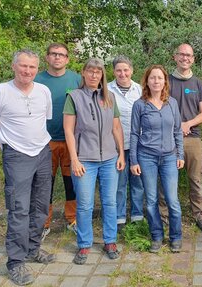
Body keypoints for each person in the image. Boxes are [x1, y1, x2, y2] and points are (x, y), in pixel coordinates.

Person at [0, 49, 55, 286]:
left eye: (32, 67)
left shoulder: (43, 91)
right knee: (19, 209)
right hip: (17, 156)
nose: (28, 71)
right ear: (14, 66)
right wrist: (8, 148)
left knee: (41, 206)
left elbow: (41, 121)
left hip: (43, 153)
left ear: (37, 69)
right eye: (23, 66)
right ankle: (15, 262)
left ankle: (33, 249)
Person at [63, 58, 125, 265]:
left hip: (109, 159)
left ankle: (110, 241)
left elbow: (116, 128)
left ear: (102, 75)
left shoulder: (109, 97)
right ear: (83, 73)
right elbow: (69, 131)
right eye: (90, 71)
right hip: (84, 161)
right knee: (85, 205)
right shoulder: (74, 97)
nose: (94, 75)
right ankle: (84, 244)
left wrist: (121, 155)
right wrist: (74, 159)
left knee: (110, 202)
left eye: (98, 72)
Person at [130, 65, 184, 253]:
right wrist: (134, 161)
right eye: (152, 78)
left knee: (172, 200)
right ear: (147, 81)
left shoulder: (172, 103)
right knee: (151, 199)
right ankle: (156, 236)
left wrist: (180, 154)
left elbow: (177, 130)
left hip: (169, 157)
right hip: (147, 157)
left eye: (159, 78)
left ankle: (176, 236)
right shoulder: (139, 105)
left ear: (165, 81)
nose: (156, 81)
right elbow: (134, 134)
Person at [35, 43, 81, 241]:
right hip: (44, 141)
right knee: (45, 183)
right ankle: (43, 223)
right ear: (47, 57)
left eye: (61, 55)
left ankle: (72, 219)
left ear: (67, 59)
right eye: (54, 54)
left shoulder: (76, 79)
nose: (57, 58)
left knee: (72, 182)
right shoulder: (36, 79)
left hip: (71, 141)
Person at [169, 43, 202, 233]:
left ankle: (199, 215)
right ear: (175, 57)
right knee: (167, 180)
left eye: (189, 55)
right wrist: (177, 126)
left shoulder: (198, 83)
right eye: (182, 54)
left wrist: (187, 124)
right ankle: (166, 216)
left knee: (196, 179)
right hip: (168, 138)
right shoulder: (166, 82)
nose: (185, 58)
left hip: (193, 137)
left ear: (193, 59)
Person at [107, 55, 144, 231]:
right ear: (113, 71)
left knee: (137, 182)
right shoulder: (106, 90)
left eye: (126, 70)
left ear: (131, 70)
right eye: (119, 70)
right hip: (116, 146)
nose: (122, 73)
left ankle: (137, 215)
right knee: (119, 184)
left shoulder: (140, 90)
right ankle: (119, 217)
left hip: (138, 144)